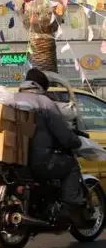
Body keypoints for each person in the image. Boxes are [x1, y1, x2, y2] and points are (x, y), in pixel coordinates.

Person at [16, 68, 89, 227]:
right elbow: (62, 132)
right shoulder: (44, 102)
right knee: (71, 166)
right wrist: (74, 142)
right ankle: (69, 207)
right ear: (42, 86)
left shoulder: (11, 100)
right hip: (39, 160)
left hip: (14, 162)